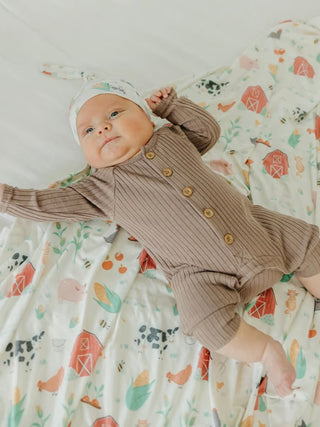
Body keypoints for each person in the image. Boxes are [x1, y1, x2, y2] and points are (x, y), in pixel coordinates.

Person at [1, 78, 320, 397]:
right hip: (200, 274)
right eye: (88, 130)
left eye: (114, 114)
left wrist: (171, 106)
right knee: (204, 322)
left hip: (258, 228)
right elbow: (42, 204)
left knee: (310, 242)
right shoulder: (99, 188)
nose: (102, 129)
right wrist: (5, 196)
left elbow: (208, 132)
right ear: (86, 154)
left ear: (145, 116)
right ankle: (267, 352)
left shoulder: (173, 137)